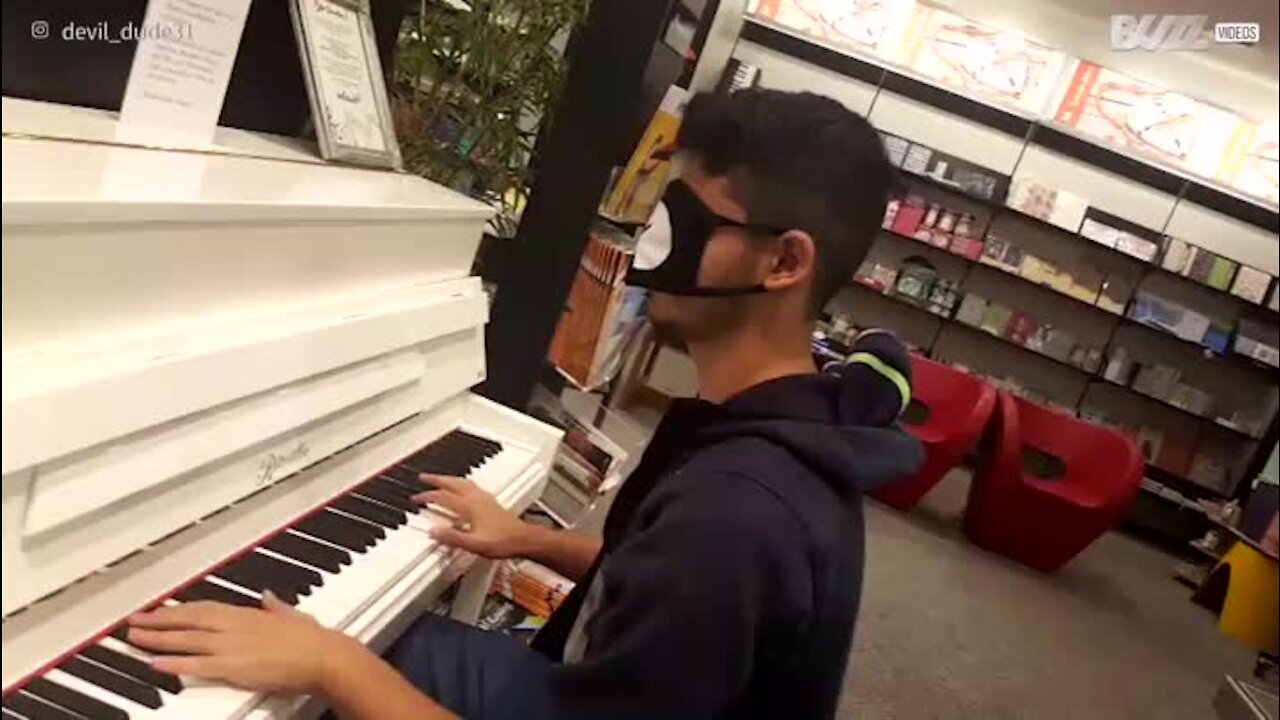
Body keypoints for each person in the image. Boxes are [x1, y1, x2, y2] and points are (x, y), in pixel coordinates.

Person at [128, 88, 924, 720]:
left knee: (336, 661)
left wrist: (330, 662)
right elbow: (653, 583)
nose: (647, 244)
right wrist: (525, 538)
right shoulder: (773, 425)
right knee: (373, 644)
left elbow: (699, 570)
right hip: (585, 686)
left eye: (681, 222)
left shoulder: (739, 514)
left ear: (784, 262)